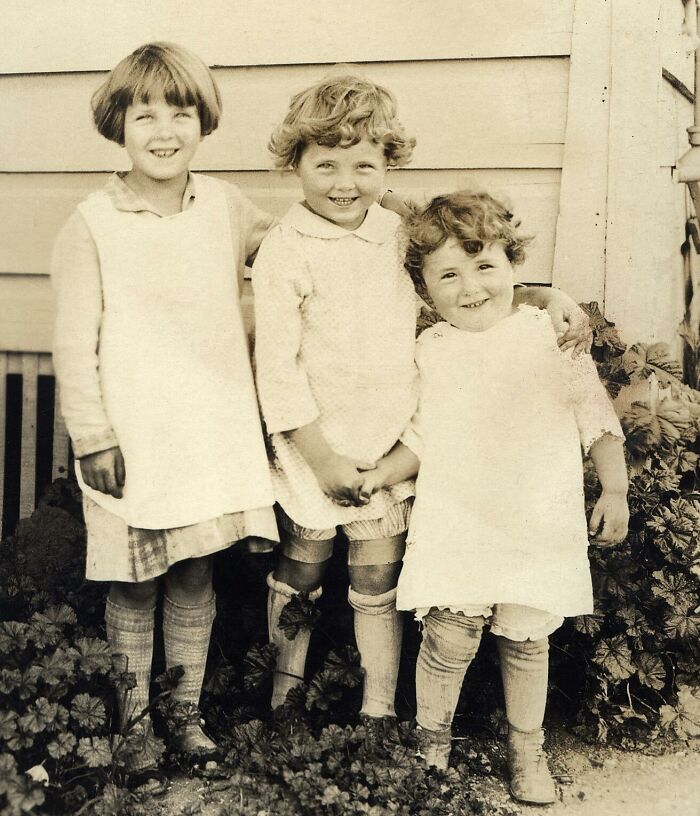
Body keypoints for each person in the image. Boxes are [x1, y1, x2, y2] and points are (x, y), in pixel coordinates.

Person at [252, 73, 593, 737]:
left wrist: (546, 300)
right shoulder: (284, 251)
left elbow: (465, 292)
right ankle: (283, 700)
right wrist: (318, 456)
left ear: (389, 163)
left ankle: (378, 708)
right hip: (313, 444)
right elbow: (277, 368)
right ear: (295, 164)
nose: (345, 182)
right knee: (303, 563)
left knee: (376, 574)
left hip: (392, 440)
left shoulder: (400, 232)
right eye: (325, 164)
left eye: (363, 164)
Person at [50, 42, 279, 781]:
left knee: (191, 576)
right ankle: (135, 723)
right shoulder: (92, 223)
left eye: (180, 111)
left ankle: (184, 713)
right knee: (135, 579)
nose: (163, 129)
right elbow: (73, 343)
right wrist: (92, 434)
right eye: (143, 112)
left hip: (207, 434)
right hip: (133, 439)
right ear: (118, 124)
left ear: (203, 122)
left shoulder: (224, 205)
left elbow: (300, 248)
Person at [358, 190, 629, 803]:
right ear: (425, 289)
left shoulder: (549, 335)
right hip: (460, 516)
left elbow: (595, 417)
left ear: (513, 265)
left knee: (527, 639)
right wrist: (381, 473)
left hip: (536, 517)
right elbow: (422, 436)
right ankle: (432, 741)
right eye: (448, 274)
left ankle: (526, 749)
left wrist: (614, 487)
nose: (470, 287)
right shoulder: (432, 349)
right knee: (450, 635)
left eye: (485, 266)